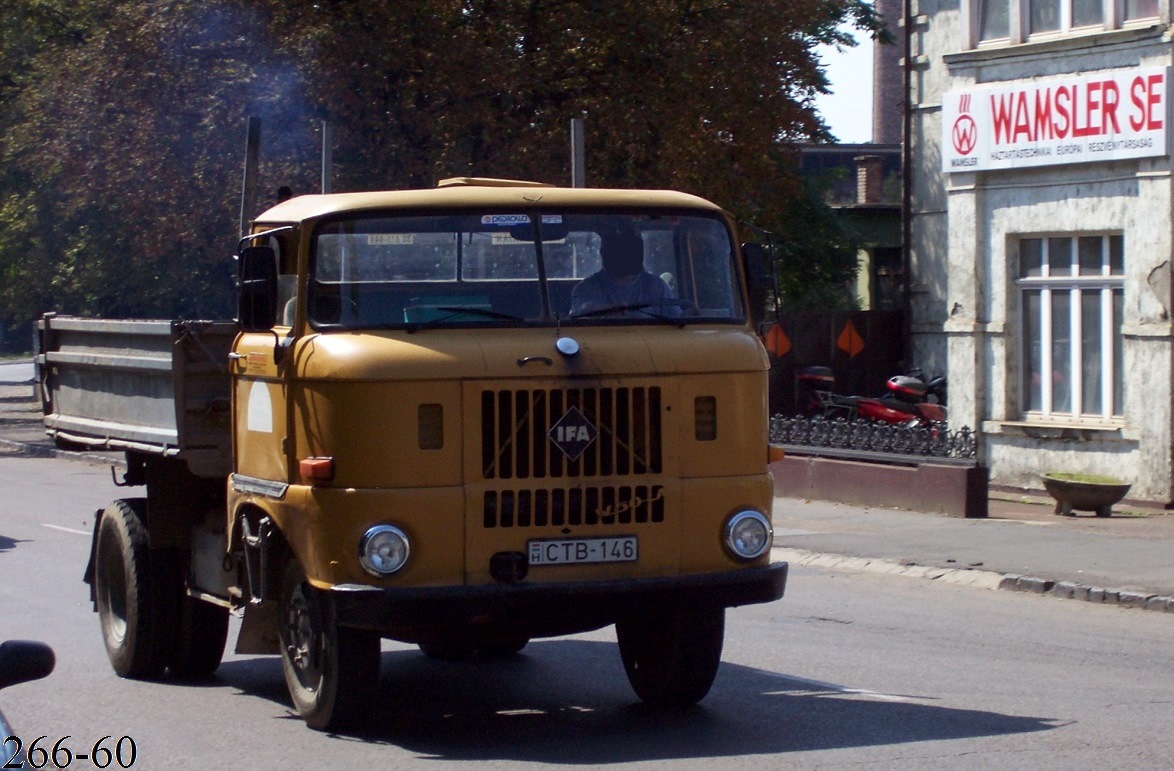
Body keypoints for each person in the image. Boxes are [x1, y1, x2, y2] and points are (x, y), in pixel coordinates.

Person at [570, 229, 680, 317]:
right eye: (616, 250)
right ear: (604, 254)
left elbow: (677, 321)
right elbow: (582, 312)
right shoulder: (586, 288)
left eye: (628, 249)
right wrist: (601, 312)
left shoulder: (656, 286)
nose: (623, 256)